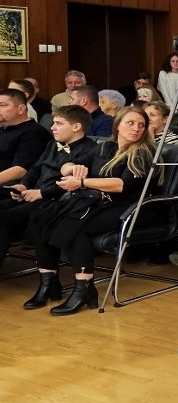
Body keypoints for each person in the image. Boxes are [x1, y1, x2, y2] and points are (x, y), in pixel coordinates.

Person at [26, 106, 156, 315]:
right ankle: (48, 282)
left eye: (141, 125)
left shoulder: (143, 152)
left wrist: (82, 182)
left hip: (128, 207)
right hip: (98, 203)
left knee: (73, 227)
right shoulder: (106, 147)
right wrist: (72, 168)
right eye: (130, 123)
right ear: (117, 125)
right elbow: (65, 166)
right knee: (43, 217)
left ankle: (84, 289)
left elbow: (121, 185)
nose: (136, 128)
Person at [4, 106, 96, 284]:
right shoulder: (53, 144)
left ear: (76, 127)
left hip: (56, 201)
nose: (52, 127)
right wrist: (24, 185)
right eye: (53, 123)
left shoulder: (90, 150)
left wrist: (40, 193)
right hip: (33, 194)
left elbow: (70, 184)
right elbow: (36, 168)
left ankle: (48, 281)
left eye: (58, 123)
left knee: (4, 219)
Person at [0, 88, 51, 186]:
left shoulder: (34, 133)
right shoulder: (4, 129)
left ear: (21, 109)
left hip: (12, 187)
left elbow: (20, 170)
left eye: (2, 105)